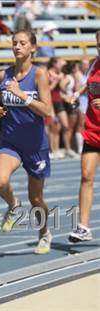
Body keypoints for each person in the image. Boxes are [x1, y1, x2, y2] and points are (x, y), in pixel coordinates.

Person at [0, 31, 53, 254]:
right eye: (14, 43)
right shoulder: (3, 75)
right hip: (11, 142)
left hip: (35, 146)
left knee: (35, 198)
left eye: (22, 43)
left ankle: (44, 233)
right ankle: (13, 205)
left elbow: (47, 110)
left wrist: (22, 95)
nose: (17, 46)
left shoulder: (39, 75)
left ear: (33, 48)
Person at [68, 30, 100, 243]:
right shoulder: (95, 63)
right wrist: (76, 95)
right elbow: (88, 84)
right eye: (99, 43)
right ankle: (83, 226)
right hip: (93, 129)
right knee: (86, 176)